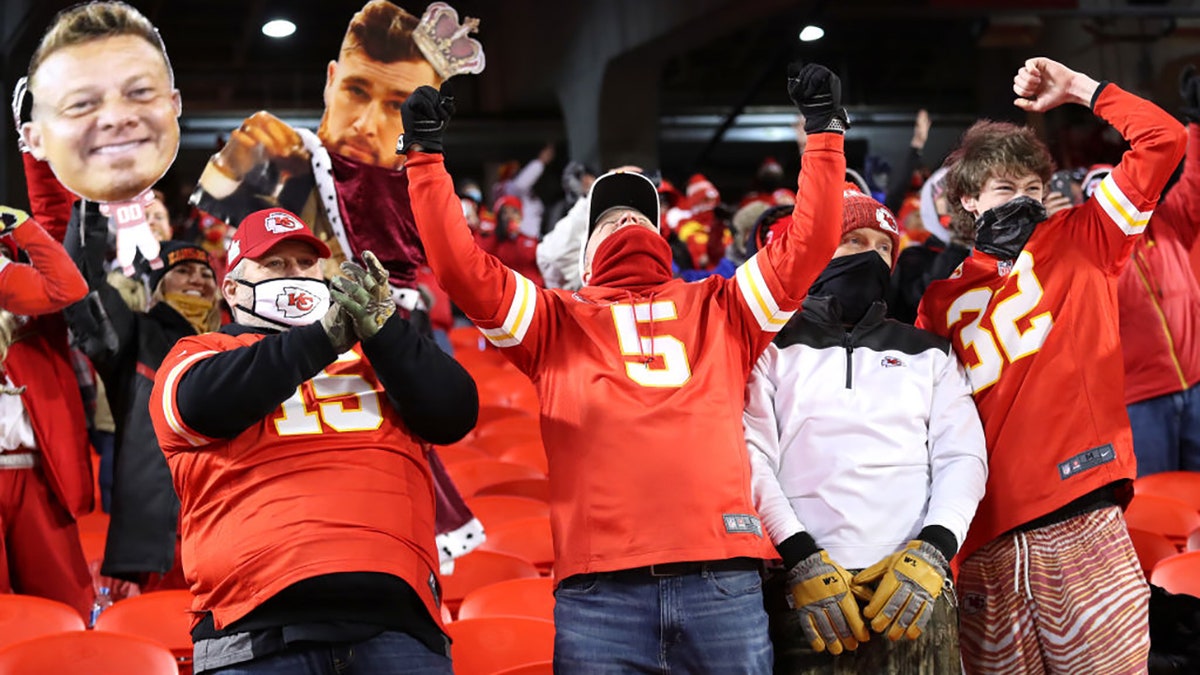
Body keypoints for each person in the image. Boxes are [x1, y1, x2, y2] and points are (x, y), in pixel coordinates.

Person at [401, 62, 847, 672]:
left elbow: (813, 241)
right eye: (607, 218)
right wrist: (425, 163)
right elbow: (459, 267)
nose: (626, 219)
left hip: (722, 571)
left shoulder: (721, 305)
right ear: (582, 260)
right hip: (599, 589)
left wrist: (823, 136)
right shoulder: (552, 321)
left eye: (638, 213)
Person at [189, 0, 486, 564]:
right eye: (356, 91)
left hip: (390, 366)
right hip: (276, 376)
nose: (367, 123)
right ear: (329, 80)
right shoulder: (278, 156)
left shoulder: (424, 189)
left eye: (398, 105)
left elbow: (455, 408)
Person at [916, 57, 1186, 673]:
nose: (1025, 203)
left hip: (1080, 512)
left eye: (1034, 190)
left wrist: (1081, 90)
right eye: (1006, 191)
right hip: (982, 541)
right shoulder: (935, 302)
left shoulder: (1085, 237)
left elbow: (1164, 139)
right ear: (965, 201)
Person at [149, 208, 478, 674]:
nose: (296, 275)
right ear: (233, 290)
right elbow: (202, 405)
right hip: (257, 627)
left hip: (396, 618)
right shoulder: (201, 353)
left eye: (306, 264)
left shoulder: (379, 356)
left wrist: (386, 330)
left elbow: (454, 414)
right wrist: (322, 339)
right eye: (276, 265)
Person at [744, 187, 987, 673]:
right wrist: (800, 556)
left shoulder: (929, 351)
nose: (871, 257)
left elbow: (963, 458)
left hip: (915, 582)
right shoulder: (770, 348)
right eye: (854, 241)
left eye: (882, 247)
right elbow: (753, 460)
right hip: (803, 584)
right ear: (816, 251)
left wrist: (934, 550)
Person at [64, 193, 220, 591]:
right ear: (157, 288)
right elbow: (83, 287)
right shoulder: (135, 335)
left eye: (206, 275)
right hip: (159, 542)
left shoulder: (238, 343)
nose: (198, 281)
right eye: (183, 272)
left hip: (231, 530)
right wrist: (91, 204)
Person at [0, 205, 93, 618]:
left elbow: (67, 287)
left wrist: (23, 226)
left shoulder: (12, 280)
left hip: (35, 471)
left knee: (63, 605)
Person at [1111, 65, 1200, 476]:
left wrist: (1196, 123)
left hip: (1197, 386)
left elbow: (1196, 181)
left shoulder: (1169, 222)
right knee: (1156, 505)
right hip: (1141, 400)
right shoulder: (1095, 252)